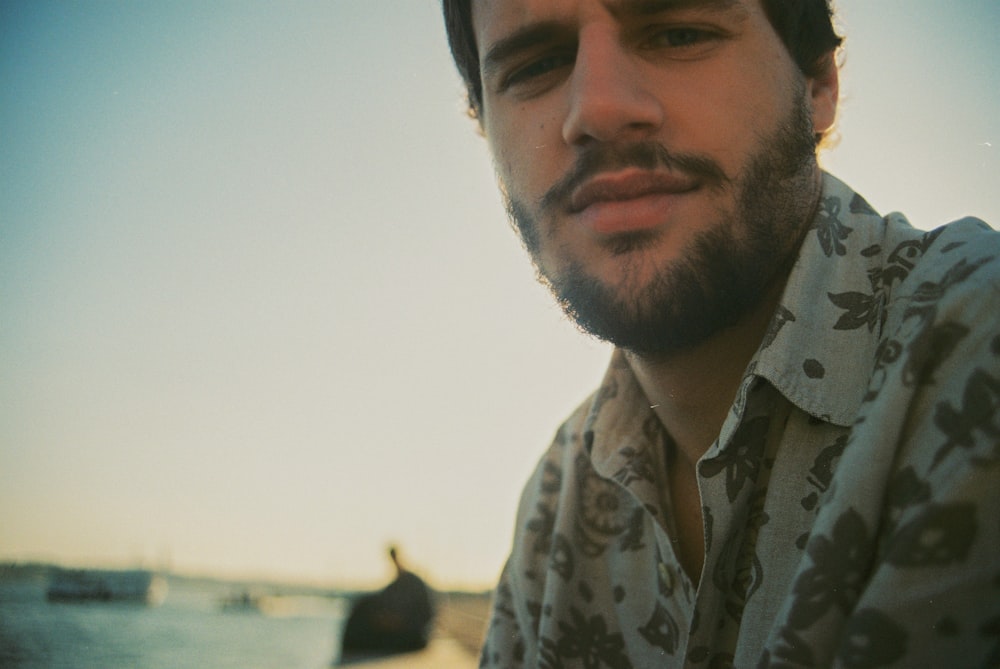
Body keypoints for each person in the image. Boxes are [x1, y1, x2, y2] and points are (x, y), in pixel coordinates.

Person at [441, 0, 1000, 667]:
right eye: (537, 65)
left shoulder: (977, 353)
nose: (596, 109)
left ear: (818, 82)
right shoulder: (559, 495)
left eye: (679, 33)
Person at [340, 546, 436, 655]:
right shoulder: (399, 584)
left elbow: (425, 616)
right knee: (362, 606)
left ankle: (351, 649)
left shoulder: (413, 583)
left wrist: (398, 621)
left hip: (412, 637)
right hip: (404, 633)